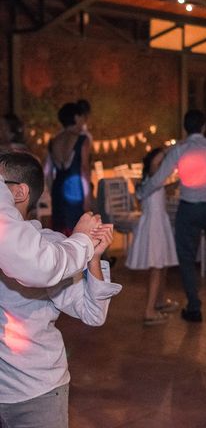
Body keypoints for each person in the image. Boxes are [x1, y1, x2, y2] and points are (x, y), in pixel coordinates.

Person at [0, 152, 120, 428]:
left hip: (36, 392)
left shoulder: (51, 246)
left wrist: (92, 256)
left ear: (19, 192)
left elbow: (93, 313)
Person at [138, 109, 206, 321]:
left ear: (185, 128)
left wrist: (142, 191)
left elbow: (160, 177)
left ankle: (194, 307)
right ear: (204, 126)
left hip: (190, 207)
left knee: (186, 257)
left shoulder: (180, 149)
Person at [126, 148, 179, 326]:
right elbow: (151, 189)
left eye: (162, 164)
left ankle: (159, 301)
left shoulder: (154, 181)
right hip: (153, 227)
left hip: (159, 224)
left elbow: (162, 188)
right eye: (158, 164)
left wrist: (178, 183)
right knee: (156, 267)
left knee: (161, 265)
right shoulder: (150, 182)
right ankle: (149, 310)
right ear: (150, 165)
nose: (161, 167)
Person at [46, 102, 92, 235]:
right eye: (82, 117)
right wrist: (88, 196)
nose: (83, 121)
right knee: (78, 232)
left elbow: (48, 173)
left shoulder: (54, 141)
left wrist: (52, 192)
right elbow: (84, 169)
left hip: (58, 190)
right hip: (75, 190)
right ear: (76, 117)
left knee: (60, 233)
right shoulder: (82, 139)